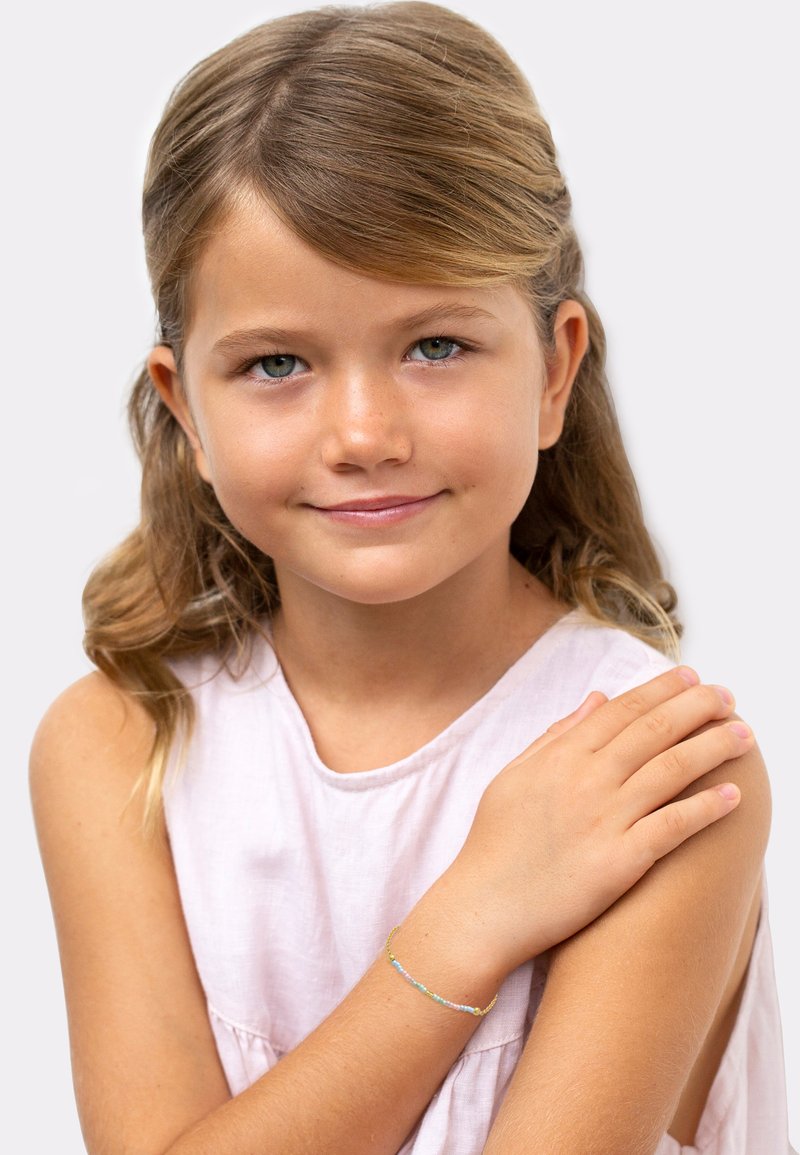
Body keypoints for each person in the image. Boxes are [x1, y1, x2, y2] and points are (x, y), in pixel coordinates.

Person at [29, 3, 791, 1152]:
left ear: (552, 370)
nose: (363, 432)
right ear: (185, 405)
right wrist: (469, 920)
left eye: (434, 346)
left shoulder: (654, 777)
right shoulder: (118, 749)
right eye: (276, 363)